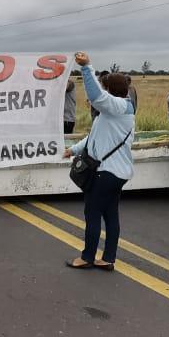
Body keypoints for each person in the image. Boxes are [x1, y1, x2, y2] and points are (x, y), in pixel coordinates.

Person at [64, 51, 135, 271]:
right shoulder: (115, 111)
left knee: (92, 214)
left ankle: (87, 257)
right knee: (110, 215)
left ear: (109, 90)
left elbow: (96, 96)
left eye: (104, 87)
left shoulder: (119, 107)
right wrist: (73, 149)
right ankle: (107, 259)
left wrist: (86, 67)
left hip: (106, 173)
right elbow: (94, 137)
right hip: (117, 173)